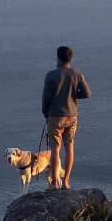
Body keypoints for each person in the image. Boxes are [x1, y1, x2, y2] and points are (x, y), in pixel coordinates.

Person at [41, 45, 91, 190]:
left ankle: (54, 183)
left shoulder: (51, 75)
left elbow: (45, 97)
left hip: (55, 116)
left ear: (58, 58)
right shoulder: (77, 74)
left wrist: (45, 112)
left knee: (55, 150)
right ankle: (66, 181)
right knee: (69, 147)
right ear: (70, 58)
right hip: (72, 115)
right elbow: (87, 93)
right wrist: (74, 95)